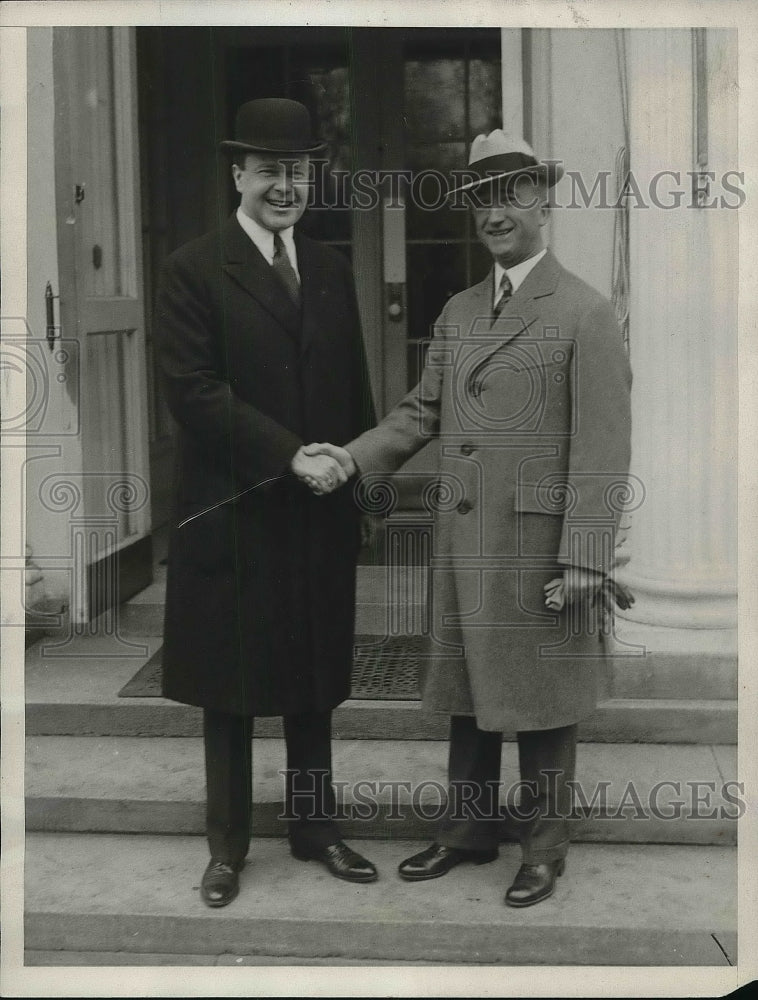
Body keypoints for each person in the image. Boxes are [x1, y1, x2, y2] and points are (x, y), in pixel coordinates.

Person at [308, 130, 632, 907]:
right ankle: (467, 831)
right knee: (468, 694)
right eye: (482, 197)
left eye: (513, 193)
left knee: (546, 702)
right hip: (467, 540)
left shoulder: (585, 311)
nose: (496, 212)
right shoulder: (457, 311)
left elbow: (604, 444)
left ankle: (545, 851)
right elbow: (423, 412)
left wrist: (585, 554)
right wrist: (351, 457)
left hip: (540, 544)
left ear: (543, 201)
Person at [154, 98, 377, 908]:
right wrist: (290, 453)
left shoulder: (329, 266)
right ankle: (227, 847)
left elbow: (351, 383)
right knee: (231, 684)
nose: (284, 185)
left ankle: (316, 830)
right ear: (237, 174)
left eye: (298, 171)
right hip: (236, 508)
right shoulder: (192, 267)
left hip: (319, 504)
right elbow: (193, 393)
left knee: (314, 675)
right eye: (269, 170)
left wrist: (355, 475)